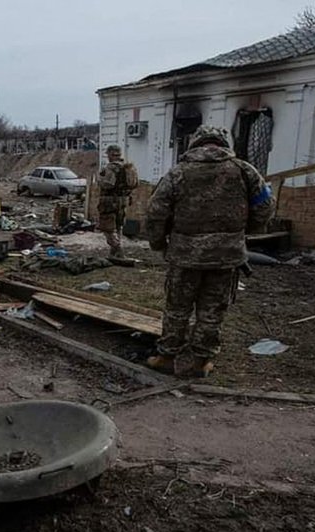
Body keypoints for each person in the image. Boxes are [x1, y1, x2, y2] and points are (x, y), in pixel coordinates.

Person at [144, 125, 274, 378]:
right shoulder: (245, 171)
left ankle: (167, 357)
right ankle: (200, 362)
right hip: (226, 257)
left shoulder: (178, 173)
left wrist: (159, 244)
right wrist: (246, 232)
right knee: (212, 310)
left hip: (184, 256)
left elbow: (155, 213)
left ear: (195, 143)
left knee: (177, 308)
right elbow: (264, 205)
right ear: (223, 143)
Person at [97, 144, 138, 260]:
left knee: (107, 228)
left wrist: (99, 179)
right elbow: (135, 184)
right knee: (118, 226)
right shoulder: (128, 167)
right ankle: (113, 253)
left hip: (109, 201)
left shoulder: (112, 167)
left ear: (110, 154)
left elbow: (108, 184)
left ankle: (118, 250)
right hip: (123, 201)